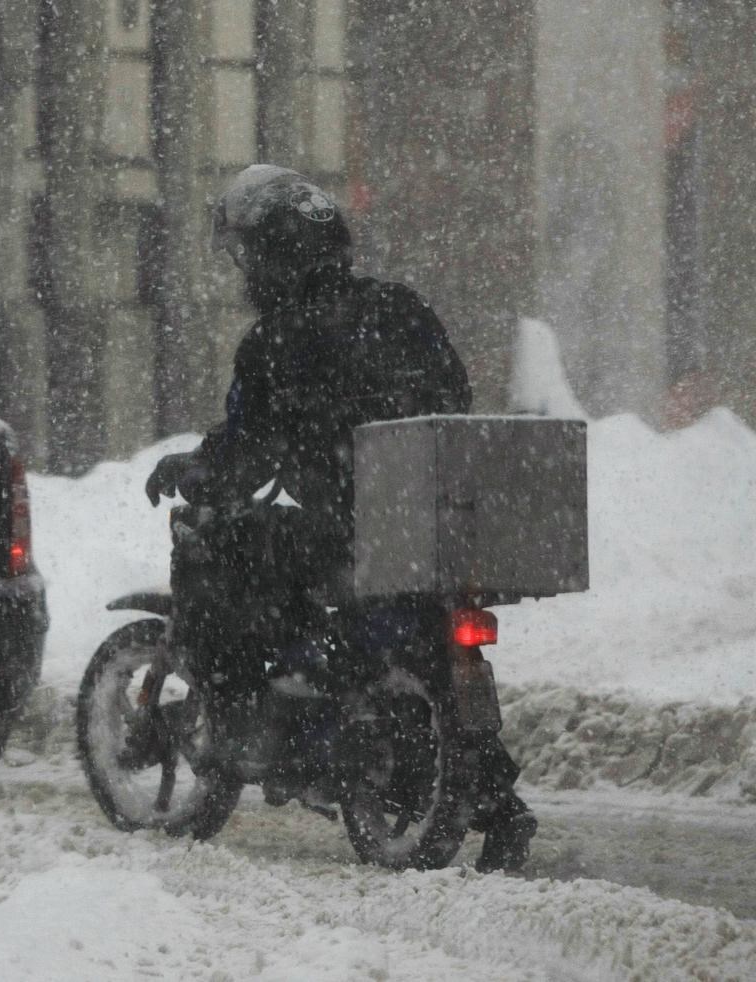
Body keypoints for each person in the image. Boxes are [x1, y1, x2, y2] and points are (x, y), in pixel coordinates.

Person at [143, 164, 537, 873]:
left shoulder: (274, 339)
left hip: (342, 529)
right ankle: (496, 804)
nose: (244, 272)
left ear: (272, 256)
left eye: (248, 256)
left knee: (216, 554)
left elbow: (245, 452)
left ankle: (240, 725)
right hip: (417, 527)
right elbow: (453, 397)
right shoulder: (402, 308)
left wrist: (196, 472)